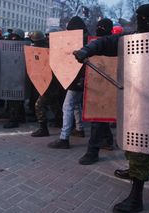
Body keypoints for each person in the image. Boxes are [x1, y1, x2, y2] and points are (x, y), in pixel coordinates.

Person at [73, 4, 149, 213]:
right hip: (133, 96)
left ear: (148, 20)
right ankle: (133, 170)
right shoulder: (134, 38)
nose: (138, 21)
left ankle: (137, 196)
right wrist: (88, 49)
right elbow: (109, 41)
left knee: (141, 145)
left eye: (140, 18)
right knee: (130, 139)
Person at [79, 18, 115, 165]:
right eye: (98, 26)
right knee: (99, 117)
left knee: (97, 118)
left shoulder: (115, 42)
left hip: (111, 84)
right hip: (97, 83)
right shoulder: (95, 43)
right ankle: (108, 141)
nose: (99, 29)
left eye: (102, 27)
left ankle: (92, 152)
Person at [47, 16, 87, 148]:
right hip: (80, 78)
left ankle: (64, 138)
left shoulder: (77, 40)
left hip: (76, 78)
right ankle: (79, 129)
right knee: (75, 105)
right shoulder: (86, 39)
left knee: (67, 106)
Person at [30, 30, 64, 137]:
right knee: (54, 104)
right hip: (53, 83)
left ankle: (43, 129)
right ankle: (60, 121)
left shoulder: (45, 50)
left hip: (49, 83)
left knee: (39, 105)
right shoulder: (50, 48)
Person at [3, 28, 27, 128]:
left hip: (17, 76)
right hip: (13, 75)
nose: (13, 38)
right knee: (17, 100)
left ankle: (14, 121)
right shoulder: (11, 45)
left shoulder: (23, 46)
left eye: (15, 36)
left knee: (14, 100)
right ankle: (21, 117)